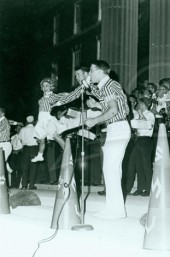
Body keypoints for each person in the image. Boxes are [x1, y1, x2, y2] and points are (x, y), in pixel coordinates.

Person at [55, 60, 131, 218]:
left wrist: (94, 120)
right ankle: (113, 209)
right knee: (110, 170)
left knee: (111, 170)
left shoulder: (110, 85)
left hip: (118, 127)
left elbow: (113, 111)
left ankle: (116, 211)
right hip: (114, 128)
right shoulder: (106, 87)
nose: (89, 74)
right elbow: (108, 104)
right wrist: (96, 101)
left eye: (91, 71)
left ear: (100, 71)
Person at [31, 78, 67, 162]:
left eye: (47, 86)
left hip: (47, 119)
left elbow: (62, 95)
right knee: (42, 140)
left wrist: (71, 94)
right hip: (41, 119)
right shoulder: (42, 98)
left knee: (55, 136)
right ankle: (40, 155)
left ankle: (67, 149)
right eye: (43, 86)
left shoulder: (52, 96)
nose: (45, 87)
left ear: (51, 87)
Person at [126, 98, 155, 196]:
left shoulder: (150, 115)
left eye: (140, 104)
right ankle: (140, 188)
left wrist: (141, 115)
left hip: (146, 140)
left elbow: (149, 125)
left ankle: (148, 189)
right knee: (139, 166)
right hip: (137, 140)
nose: (139, 106)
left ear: (145, 105)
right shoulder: (137, 115)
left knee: (146, 165)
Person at [19, 116, 39, 190]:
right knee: (33, 167)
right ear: (33, 121)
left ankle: (24, 186)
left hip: (26, 148)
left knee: (25, 167)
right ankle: (31, 185)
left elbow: (20, 140)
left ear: (26, 122)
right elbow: (39, 140)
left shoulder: (23, 129)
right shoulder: (36, 129)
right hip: (34, 148)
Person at [0, 108, 13, 180]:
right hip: (2, 144)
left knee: (1, 164)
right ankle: (6, 164)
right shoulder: (3, 121)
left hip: (4, 145)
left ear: (2, 114)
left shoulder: (4, 121)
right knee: (1, 163)